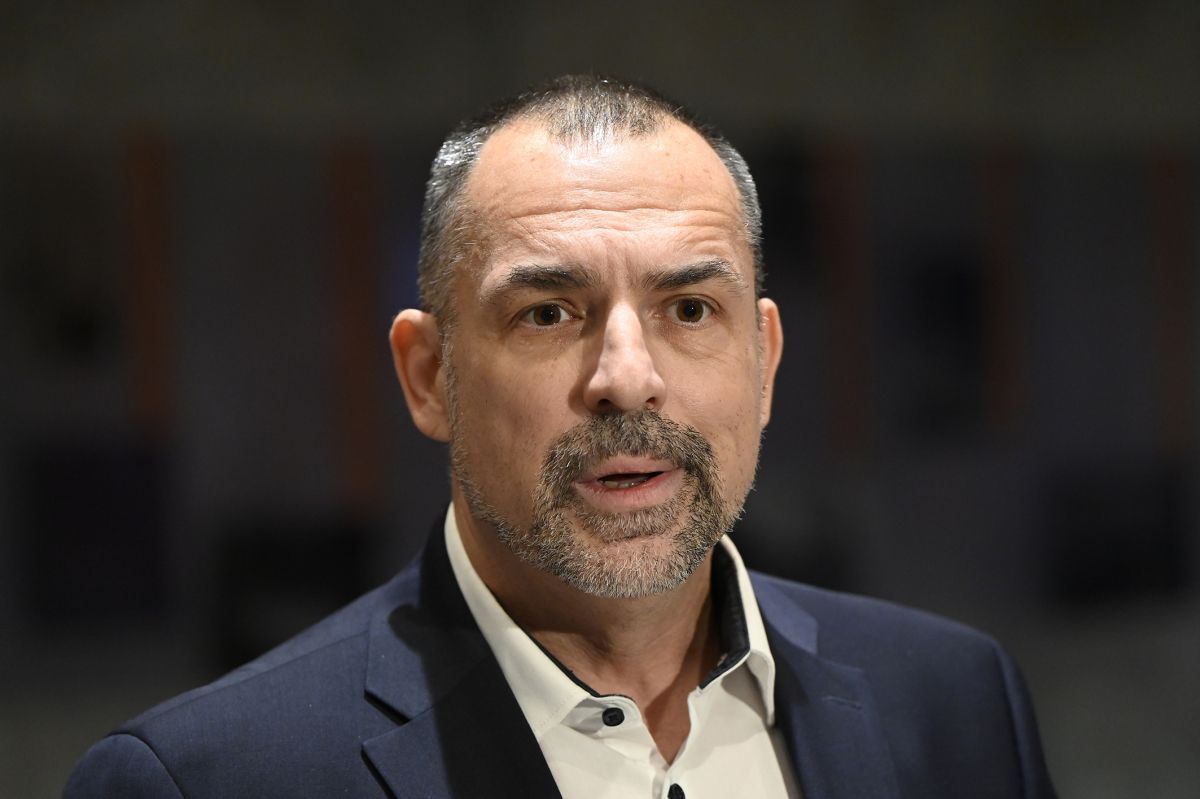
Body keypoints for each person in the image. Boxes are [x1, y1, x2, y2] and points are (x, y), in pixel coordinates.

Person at [64, 75, 1056, 798]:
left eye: (689, 309)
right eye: (547, 313)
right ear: (428, 376)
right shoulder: (208, 781)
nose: (627, 376)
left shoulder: (957, 702)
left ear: (764, 362)